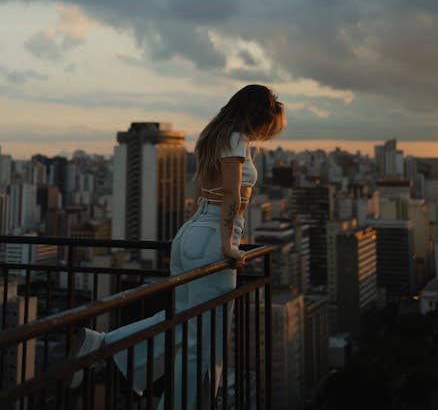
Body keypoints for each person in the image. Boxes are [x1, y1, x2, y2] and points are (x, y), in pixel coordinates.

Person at [68, 84, 285, 409]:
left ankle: (104, 343)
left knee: (184, 321)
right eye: (266, 123)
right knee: (206, 343)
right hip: (213, 237)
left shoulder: (217, 133)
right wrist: (228, 245)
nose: (264, 132)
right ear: (256, 115)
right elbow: (231, 194)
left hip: (193, 233)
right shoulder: (237, 138)